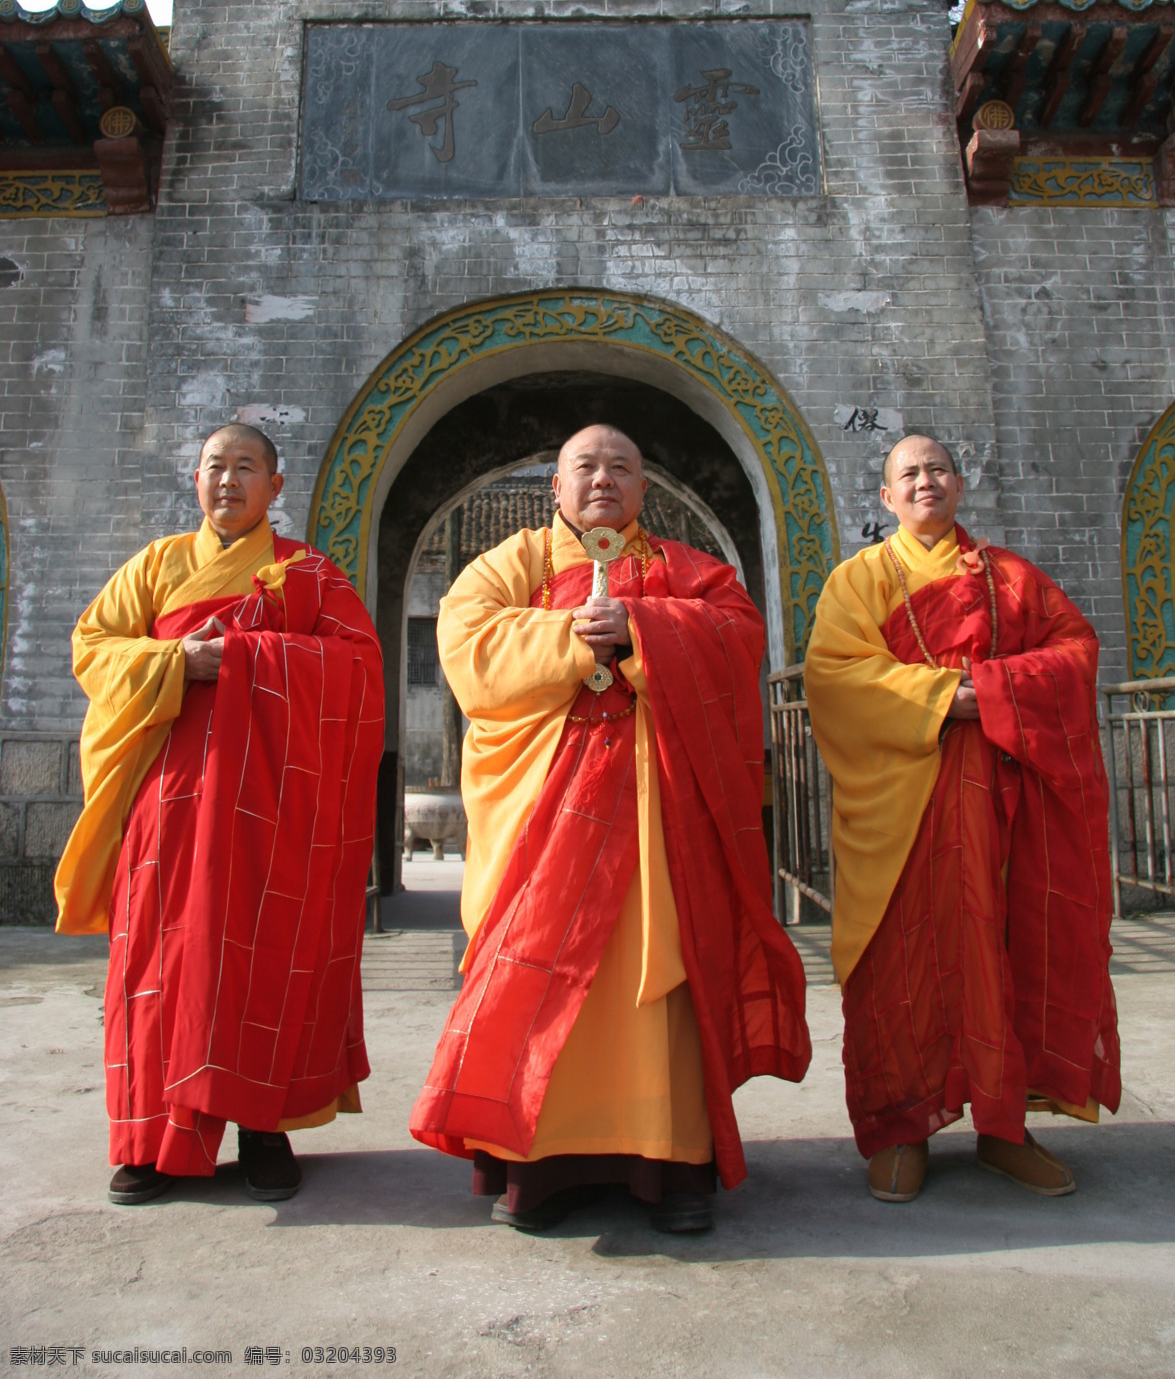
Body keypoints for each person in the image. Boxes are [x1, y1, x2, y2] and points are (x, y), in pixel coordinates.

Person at [409, 424, 810, 1232]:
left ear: (643, 490)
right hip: (544, 818)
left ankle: (669, 1158)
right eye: (584, 467)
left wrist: (646, 629)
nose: (602, 480)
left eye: (621, 467)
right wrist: (574, 634)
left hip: (659, 813)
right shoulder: (512, 562)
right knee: (533, 969)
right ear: (554, 486)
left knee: (659, 976)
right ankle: (539, 1160)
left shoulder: (684, 569)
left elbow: (739, 634)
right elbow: (468, 641)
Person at [55, 424, 385, 1205]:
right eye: (214, 467)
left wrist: (240, 659)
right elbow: (92, 646)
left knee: (260, 954)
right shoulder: (159, 564)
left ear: (277, 484)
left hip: (270, 802)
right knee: (158, 964)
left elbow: (361, 665)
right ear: (193, 481)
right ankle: (149, 1138)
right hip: (168, 796)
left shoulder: (308, 571)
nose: (228, 480)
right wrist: (177, 660)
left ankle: (263, 1129)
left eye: (245, 467)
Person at [803, 433, 1120, 1204]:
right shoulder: (860, 580)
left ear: (959, 482)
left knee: (1009, 954)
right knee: (902, 967)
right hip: (904, 806)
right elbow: (834, 675)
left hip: (1006, 807)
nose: (924, 482)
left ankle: (1006, 1127)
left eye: (937, 469)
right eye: (907, 473)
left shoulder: (1012, 579)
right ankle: (900, 1127)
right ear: (885, 498)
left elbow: (1076, 648)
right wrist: (946, 697)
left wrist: (999, 690)